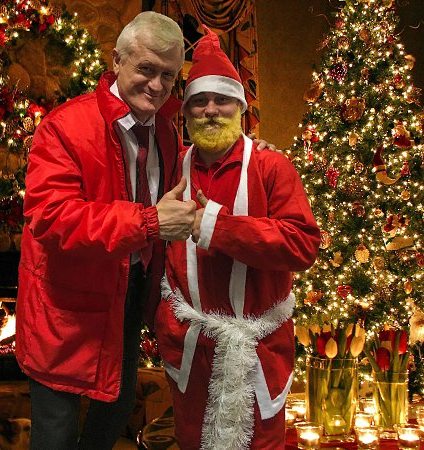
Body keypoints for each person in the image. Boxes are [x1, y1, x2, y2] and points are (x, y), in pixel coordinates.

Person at [15, 11, 197, 450]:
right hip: (64, 307)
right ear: (117, 60)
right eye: (146, 69)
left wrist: (252, 154)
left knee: (115, 411)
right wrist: (149, 222)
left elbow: (194, 179)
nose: (157, 85)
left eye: (168, 76)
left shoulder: (167, 132)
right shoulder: (64, 126)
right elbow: (51, 217)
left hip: (126, 295)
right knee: (56, 434)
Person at [154, 27, 321, 450]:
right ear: (186, 113)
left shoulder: (272, 166)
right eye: (199, 101)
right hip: (190, 346)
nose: (210, 110)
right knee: (191, 440)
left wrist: (216, 227)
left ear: (241, 108)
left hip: (256, 350)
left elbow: (303, 244)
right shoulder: (172, 166)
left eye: (222, 100)